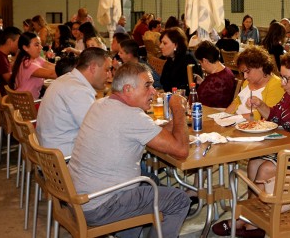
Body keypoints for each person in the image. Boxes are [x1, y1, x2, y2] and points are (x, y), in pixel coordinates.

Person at [213, 51, 290, 238]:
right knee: (255, 162)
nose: (282, 83)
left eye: (286, 79)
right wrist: (260, 104)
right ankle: (253, 221)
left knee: (264, 168)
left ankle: (250, 219)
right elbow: (275, 114)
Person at [68, 62, 190, 238]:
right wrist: (178, 109)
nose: (154, 91)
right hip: (102, 205)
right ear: (127, 90)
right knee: (178, 200)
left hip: (81, 198)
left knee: (145, 183)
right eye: (147, 86)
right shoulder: (131, 116)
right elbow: (181, 150)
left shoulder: (100, 104)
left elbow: (157, 134)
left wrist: (173, 125)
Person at [37, 48, 112, 156]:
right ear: (93, 67)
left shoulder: (65, 79)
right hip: (64, 160)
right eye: (107, 69)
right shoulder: (78, 90)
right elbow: (98, 131)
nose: (109, 75)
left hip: (51, 153)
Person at [225, 46, 284, 120]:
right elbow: (236, 102)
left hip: (254, 126)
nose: (245, 76)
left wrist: (233, 119)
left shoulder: (277, 85)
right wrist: (224, 116)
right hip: (237, 122)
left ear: (260, 66)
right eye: (243, 72)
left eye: (247, 72)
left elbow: (268, 115)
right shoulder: (248, 82)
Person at [10, 32, 57, 99]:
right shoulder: (27, 64)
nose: (41, 47)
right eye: (37, 45)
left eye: (40, 44)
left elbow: (52, 66)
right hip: (28, 105)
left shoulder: (35, 58)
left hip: (27, 102)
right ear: (25, 48)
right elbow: (52, 74)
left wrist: (69, 68)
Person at [193, 41, 236, 108]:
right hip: (225, 111)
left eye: (200, 62)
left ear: (205, 61)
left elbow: (196, 103)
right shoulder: (227, 71)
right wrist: (202, 82)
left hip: (211, 114)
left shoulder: (212, 81)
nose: (201, 66)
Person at [159, 27, 201, 94]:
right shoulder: (171, 59)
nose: (160, 46)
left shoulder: (188, 60)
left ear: (176, 45)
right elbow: (164, 82)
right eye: (161, 42)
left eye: (164, 43)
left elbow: (187, 90)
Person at [0, 27, 21, 95]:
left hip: (3, 95)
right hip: (5, 98)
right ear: (10, 42)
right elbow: (12, 82)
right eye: (18, 42)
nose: (19, 46)